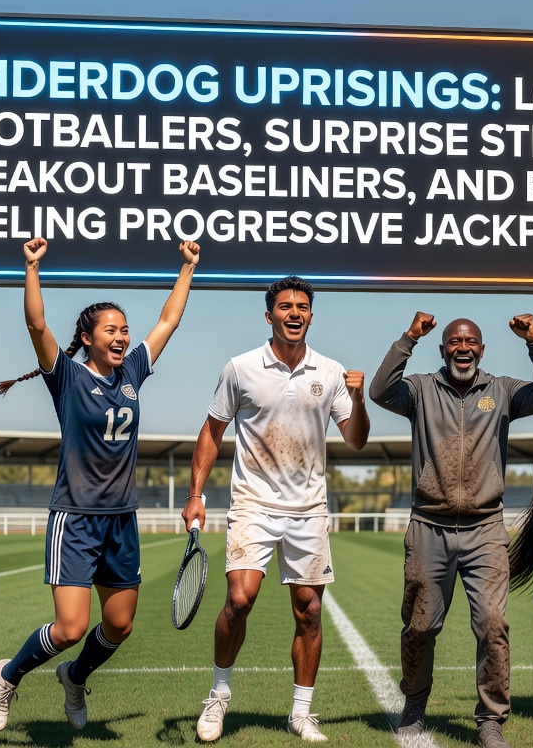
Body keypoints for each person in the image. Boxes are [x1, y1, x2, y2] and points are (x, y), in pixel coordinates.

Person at [0, 237, 200, 732]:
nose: (122, 337)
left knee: (120, 625)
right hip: (76, 517)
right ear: (87, 337)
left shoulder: (134, 372)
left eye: (125, 330)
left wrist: (186, 268)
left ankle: (75, 678)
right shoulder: (66, 376)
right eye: (111, 330)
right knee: (71, 627)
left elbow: (167, 321)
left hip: (122, 519)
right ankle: (8, 675)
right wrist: (31, 267)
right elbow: (37, 324)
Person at [184, 276, 370, 744]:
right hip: (253, 503)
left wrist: (359, 397)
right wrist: (195, 494)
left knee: (308, 612)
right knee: (239, 599)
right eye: (285, 306)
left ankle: (302, 713)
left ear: (311, 315)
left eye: (302, 306)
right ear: (269, 316)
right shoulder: (240, 368)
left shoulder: (330, 372)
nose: (294, 313)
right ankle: (218, 695)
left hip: (309, 508)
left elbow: (356, 439)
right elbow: (212, 431)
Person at [370, 312, 533, 748]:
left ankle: (491, 720)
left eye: (471, 342)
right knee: (419, 627)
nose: (463, 348)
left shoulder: (503, 391)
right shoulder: (420, 389)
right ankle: (415, 705)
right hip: (428, 527)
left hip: (486, 530)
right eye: (454, 342)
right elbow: (380, 390)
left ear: (481, 349)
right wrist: (408, 337)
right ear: (442, 350)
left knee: (493, 624)